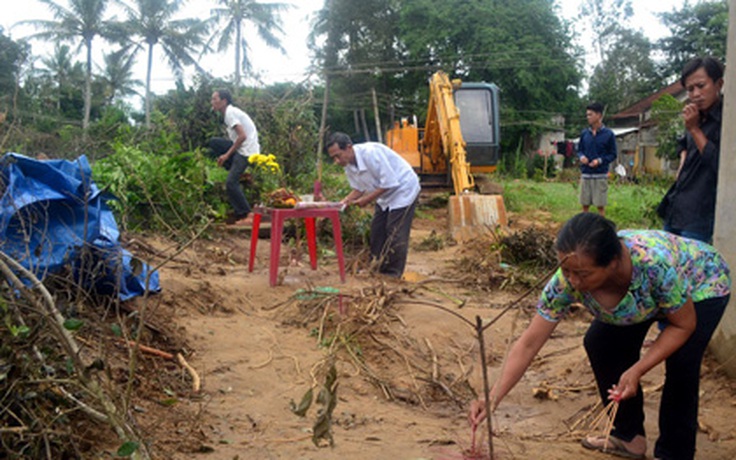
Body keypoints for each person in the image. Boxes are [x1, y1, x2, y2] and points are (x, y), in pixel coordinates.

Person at [469, 213, 730, 460]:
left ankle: (674, 452)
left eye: (582, 274)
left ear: (613, 262)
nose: (573, 281)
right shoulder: (567, 279)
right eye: (567, 271)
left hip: (700, 283)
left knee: (682, 360)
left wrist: (637, 370)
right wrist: (493, 396)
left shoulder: (653, 265)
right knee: (601, 343)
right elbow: (528, 343)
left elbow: (682, 326)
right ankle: (629, 437)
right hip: (648, 299)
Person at [326, 132, 420, 278]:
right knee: (377, 231)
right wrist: (343, 202)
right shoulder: (348, 165)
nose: (337, 161)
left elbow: (389, 182)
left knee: (395, 232)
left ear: (349, 147)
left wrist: (366, 200)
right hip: (384, 195)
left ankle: (392, 273)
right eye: (333, 158)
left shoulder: (371, 154)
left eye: (338, 156)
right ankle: (375, 267)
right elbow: (358, 189)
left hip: (403, 189)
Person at [659, 57, 724, 244]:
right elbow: (683, 143)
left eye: (701, 86)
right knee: (669, 265)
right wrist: (683, 158)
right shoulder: (695, 116)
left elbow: (721, 165)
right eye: (690, 89)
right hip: (676, 207)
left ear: (718, 83)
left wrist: (695, 130)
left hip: (700, 215)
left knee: (692, 270)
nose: (695, 94)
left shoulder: (726, 119)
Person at [209, 89, 260, 225]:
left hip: (246, 151)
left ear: (224, 101)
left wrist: (226, 155)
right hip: (244, 148)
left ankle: (247, 214)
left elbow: (242, 136)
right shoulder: (229, 113)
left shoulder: (230, 113)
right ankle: (237, 172)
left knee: (230, 183)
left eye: (215, 99)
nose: (212, 102)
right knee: (214, 142)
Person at [578, 102, 617, 216]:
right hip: (586, 174)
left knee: (600, 206)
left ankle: (602, 229)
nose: (588, 117)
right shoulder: (584, 134)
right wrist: (582, 157)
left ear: (599, 115)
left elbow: (613, 154)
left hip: (600, 175)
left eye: (590, 114)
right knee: (585, 204)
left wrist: (599, 161)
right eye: (587, 115)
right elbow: (579, 150)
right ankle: (585, 228)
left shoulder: (609, 134)